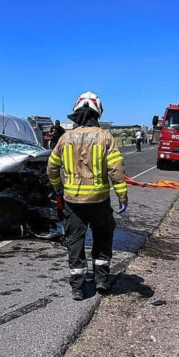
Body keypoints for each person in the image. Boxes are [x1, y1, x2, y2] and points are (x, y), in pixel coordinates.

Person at [47, 91, 128, 301]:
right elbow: (116, 170)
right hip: (99, 201)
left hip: (72, 202)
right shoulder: (105, 137)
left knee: (75, 241)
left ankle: (78, 288)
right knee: (102, 238)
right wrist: (122, 196)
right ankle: (101, 281)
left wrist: (58, 188)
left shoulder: (65, 139)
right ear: (97, 112)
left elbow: (51, 169)